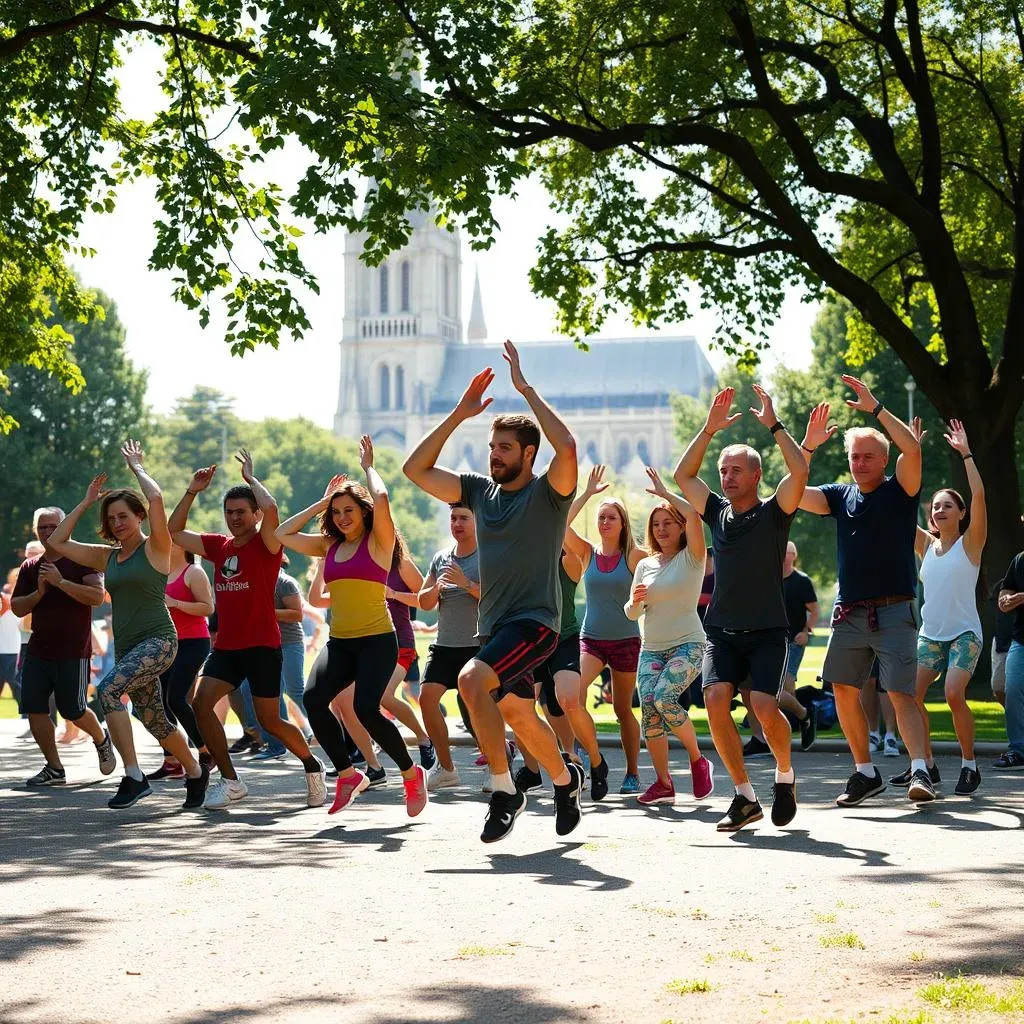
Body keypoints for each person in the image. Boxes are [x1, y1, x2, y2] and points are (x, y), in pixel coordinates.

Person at [403, 341, 585, 843]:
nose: (494, 455)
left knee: (470, 681)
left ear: (528, 454)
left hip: (536, 623)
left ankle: (505, 791)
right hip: (497, 627)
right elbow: (414, 471)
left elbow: (566, 448)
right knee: (516, 713)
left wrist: (525, 390)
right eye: (491, 447)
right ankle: (567, 780)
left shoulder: (549, 494)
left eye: (504, 447)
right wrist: (459, 415)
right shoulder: (479, 492)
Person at [675, 386, 826, 832]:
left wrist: (775, 425)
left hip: (767, 630)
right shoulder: (717, 512)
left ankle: (784, 775)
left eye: (736, 470)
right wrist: (708, 430)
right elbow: (685, 476)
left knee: (763, 705)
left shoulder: (776, 511)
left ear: (756, 476)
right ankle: (743, 795)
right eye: (723, 470)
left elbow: (799, 471)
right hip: (721, 630)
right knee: (715, 697)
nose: (726, 477)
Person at [46, 442, 210, 809]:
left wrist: (136, 467)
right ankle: (196, 772)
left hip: (160, 642)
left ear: (138, 517)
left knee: (107, 693)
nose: (118, 523)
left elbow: (156, 499)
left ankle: (133, 777)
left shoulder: (156, 547)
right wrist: (88, 501)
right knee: (156, 722)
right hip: (130, 647)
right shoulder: (108, 557)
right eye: (112, 518)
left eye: (124, 516)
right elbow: (58, 541)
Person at [275, 438, 429, 817]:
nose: (343, 517)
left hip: (378, 641)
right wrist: (322, 503)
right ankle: (348, 774)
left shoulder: (380, 543)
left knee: (366, 708)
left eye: (349, 510)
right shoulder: (329, 546)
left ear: (363, 512)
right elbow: (282, 534)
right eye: (337, 511)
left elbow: (384, 497)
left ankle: (411, 774)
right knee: (313, 700)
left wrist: (368, 468)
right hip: (341, 643)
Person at [798, 375, 930, 807]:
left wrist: (876, 408)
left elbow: (913, 449)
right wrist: (808, 446)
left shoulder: (901, 490)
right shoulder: (840, 495)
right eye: (855, 457)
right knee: (841, 688)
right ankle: (864, 772)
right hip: (849, 612)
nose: (860, 463)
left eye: (869, 456)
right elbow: (795, 494)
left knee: (900, 692)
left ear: (883, 459)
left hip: (895, 610)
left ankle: (921, 771)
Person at [169, 450, 326, 811]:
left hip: (263, 648)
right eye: (229, 512)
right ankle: (231, 780)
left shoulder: (268, 544)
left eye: (242, 511)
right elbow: (175, 531)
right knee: (201, 703)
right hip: (226, 649)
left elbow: (273, 511)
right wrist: (192, 491)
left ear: (254, 515)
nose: (234, 517)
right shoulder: (218, 547)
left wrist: (252, 479)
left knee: (271, 721)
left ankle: (312, 766)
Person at [889, 420, 987, 797]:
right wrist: (911, 452)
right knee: (908, 698)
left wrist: (965, 453)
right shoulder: (927, 546)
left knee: (952, 693)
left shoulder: (971, 543)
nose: (940, 510)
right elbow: (902, 504)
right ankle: (925, 767)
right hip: (930, 634)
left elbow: (979, 496)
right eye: (936, 507)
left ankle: (969, 765)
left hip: (964, 633)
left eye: (948, 505)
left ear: (961, 514)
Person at [623, 469, 715, 806]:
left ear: (679, 527)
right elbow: (632, 613)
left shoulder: (693, 558)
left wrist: (664, 491)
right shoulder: (645, 565)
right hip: (651, 648)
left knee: (664, 698)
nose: (662, 529)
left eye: (668, 523)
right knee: (648, 708)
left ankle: (696, 759)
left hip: (688, 643)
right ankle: (663, 783)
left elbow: (694, 513)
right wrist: (634, 602)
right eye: (656, 524)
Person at [10, 507, 116, 786]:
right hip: (38, 649)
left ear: (65, 527)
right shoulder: (31, 567)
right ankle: (54, 767)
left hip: (73, 651)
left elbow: (96, 596)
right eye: (42, 528)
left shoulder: (82, 561)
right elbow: (18, 607)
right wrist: (40, 592)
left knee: (73, 709)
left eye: (53, 526)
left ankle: (102, 739)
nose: (47, 533)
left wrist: (61, 582)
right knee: (34, 707)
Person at [563, 465, 638, 796]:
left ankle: (633, 772)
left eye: (612, 517)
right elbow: (561, 523)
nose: (605, 522)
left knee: (622, 709)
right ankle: (589, 757)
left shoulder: (635, 556)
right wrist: (588, 494)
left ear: (622, 524)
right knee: (573, 698)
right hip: (591, 640)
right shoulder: (587, 553)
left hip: (626, 642)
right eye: (601, 517)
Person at [418, 503, 482, 790]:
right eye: (453, 518)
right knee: (426, 699)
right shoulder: (440, 558)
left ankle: (498, 764)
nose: (457, 523)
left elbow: (497, 599)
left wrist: (465, 583)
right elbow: (424, 602)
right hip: (444, 645)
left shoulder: (487, 557)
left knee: (476, 714)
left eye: (464, 518)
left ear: (477, 522)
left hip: (477, 646)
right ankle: (446, 768)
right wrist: (436, 589)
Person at [151, 544, 215, 779]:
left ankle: (206, 751)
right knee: (160, 702)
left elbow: (208, 607)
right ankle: (172, 762)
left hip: (193, 643)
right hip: (166, 644)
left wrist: (175, 603)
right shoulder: (159, 572)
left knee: (176, 699)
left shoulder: (194, 572)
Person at [245, 555, 315, 760]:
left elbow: (297, 614)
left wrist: (265, 612)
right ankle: (276, 744)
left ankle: (320, 731)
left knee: (295, 691)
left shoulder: (285, 583)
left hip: (289, 644)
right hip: (264, 645)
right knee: (265, 693)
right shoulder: (253, 582)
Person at [382, 541, 436, 766]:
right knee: (354, 702)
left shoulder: (401, 563)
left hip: (400, 643)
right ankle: (370, 763)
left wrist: (392, 594)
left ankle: (424, 739)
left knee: (383, 695)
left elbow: (427, 602)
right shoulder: (361, 560)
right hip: (367, 641)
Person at [996, 554, 1024, 770]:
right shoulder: (1020, 560)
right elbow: (1006, 590)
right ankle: (1018, 750)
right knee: (1012, 689)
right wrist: (1005, 600)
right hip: (1020, 639)